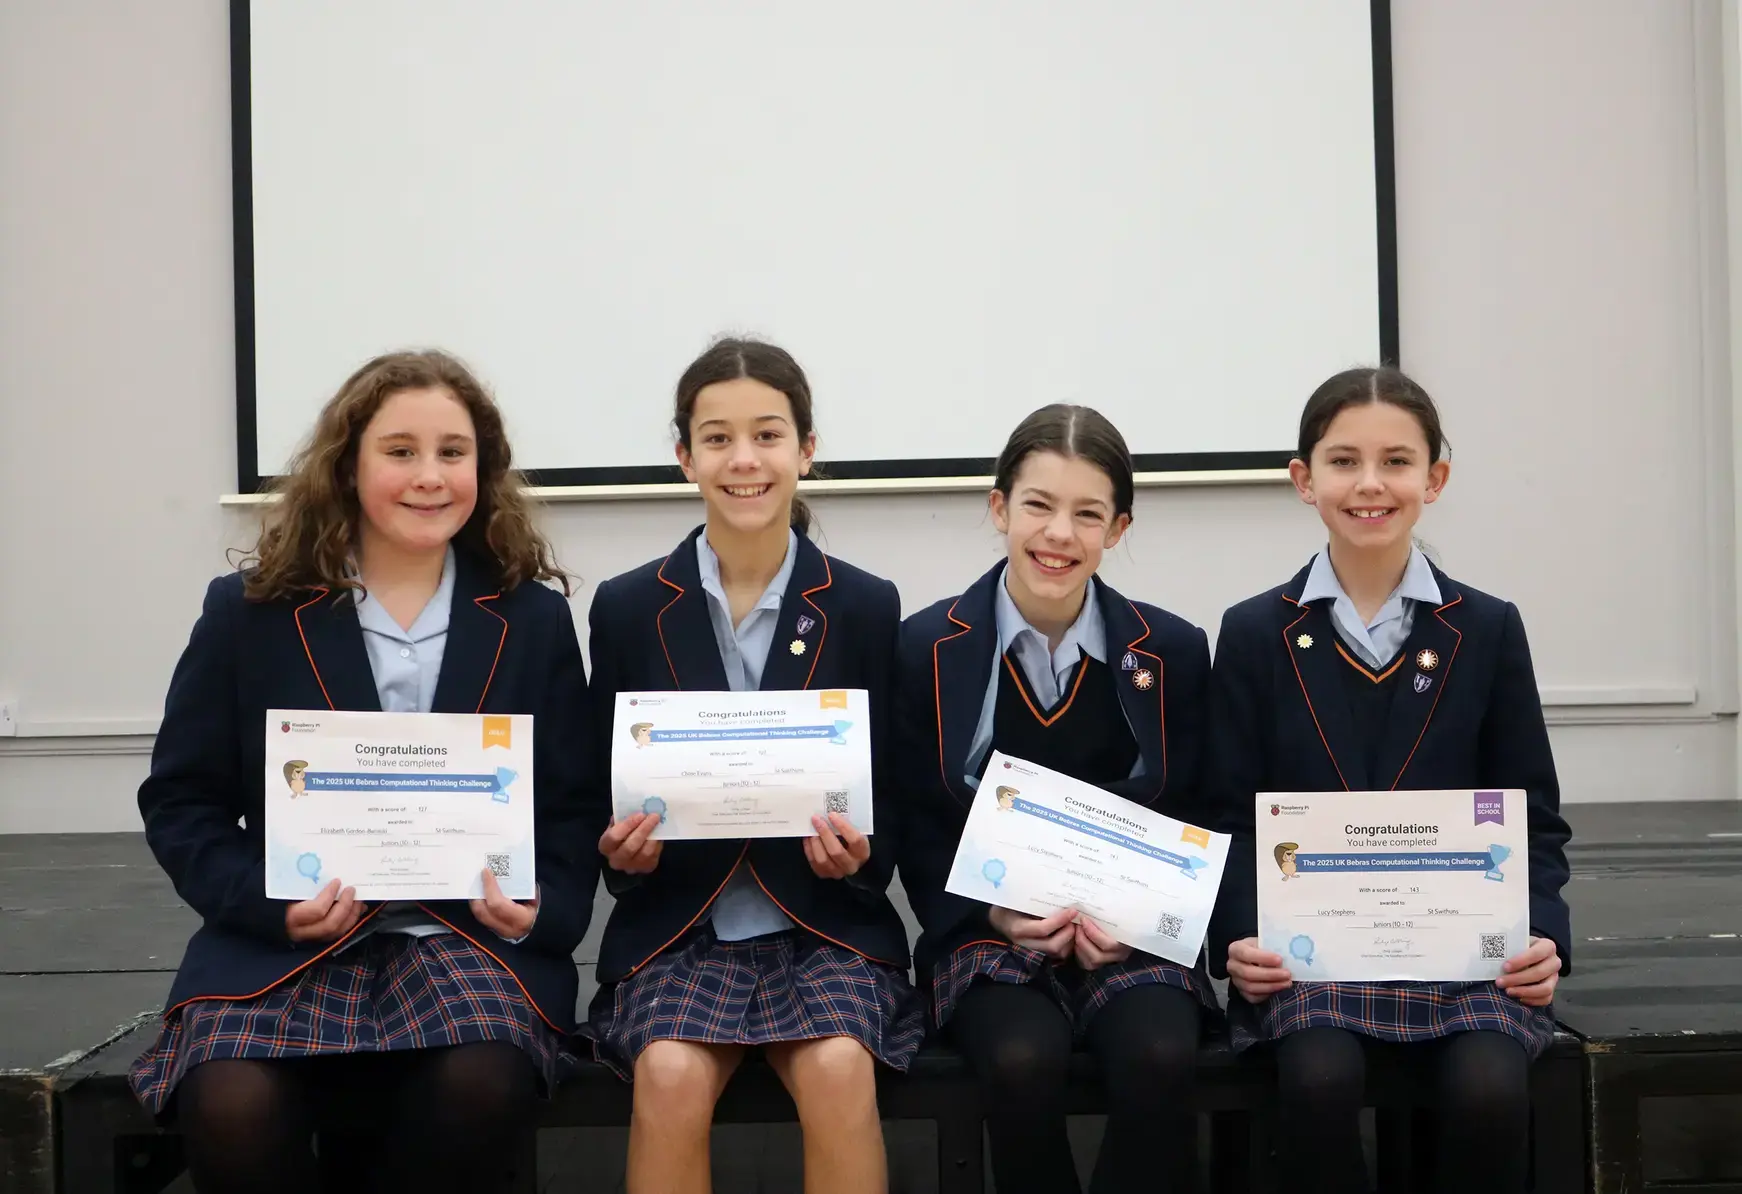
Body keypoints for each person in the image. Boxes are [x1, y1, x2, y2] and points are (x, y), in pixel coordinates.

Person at [130, 350, 601, 1194]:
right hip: (287, 945)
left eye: (453, 453)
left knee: (483, 1082)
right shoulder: (250, 612)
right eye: (400, 451)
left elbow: (569, 804)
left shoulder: (530, 616)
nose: (430, 476)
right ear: (348, 466)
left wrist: (541, 914)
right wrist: (272, 905)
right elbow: (182, 802)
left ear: (483, 470)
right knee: (231, 1101)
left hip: (467, 939)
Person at [1207, 365, 1572, 1194]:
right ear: (1304, 480)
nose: (1370, 484)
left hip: (1463, 962)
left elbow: (1534, 820)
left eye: (1397, 461)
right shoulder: (1256, 631)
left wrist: (1545, 935)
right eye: (1343, 461)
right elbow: (1228, 815)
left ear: (1434, 479)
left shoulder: (1486, 627)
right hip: (1311, 963)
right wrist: (1236, 940)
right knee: (1318, 1077)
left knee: (1489, 1087)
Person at [585, 337, 922, 1194]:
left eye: (769, 435)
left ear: (806, 451)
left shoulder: (864, 604)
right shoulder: (627, 607)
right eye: (718, 437)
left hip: (821, 923)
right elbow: (599, 793)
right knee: (667, 1073)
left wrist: (860, 855)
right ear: (683, 456)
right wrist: (619, 851)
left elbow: (894, 798)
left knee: (842, 1067)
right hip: (679, 926)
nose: (744, 460)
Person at [896, 404, 1215, 1193]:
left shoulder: (1171, 651)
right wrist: (996, 915)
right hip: (988, 933)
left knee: (1161, 1054)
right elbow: (916, 821)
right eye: (1038, 505)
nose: (1059, 534)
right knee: (1020, 1057)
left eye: (1088, 514)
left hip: (1130, 935)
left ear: (1119, 527)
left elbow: (1198, 810)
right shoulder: (925, 646)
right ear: (999, 508)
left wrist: (1136, 917)